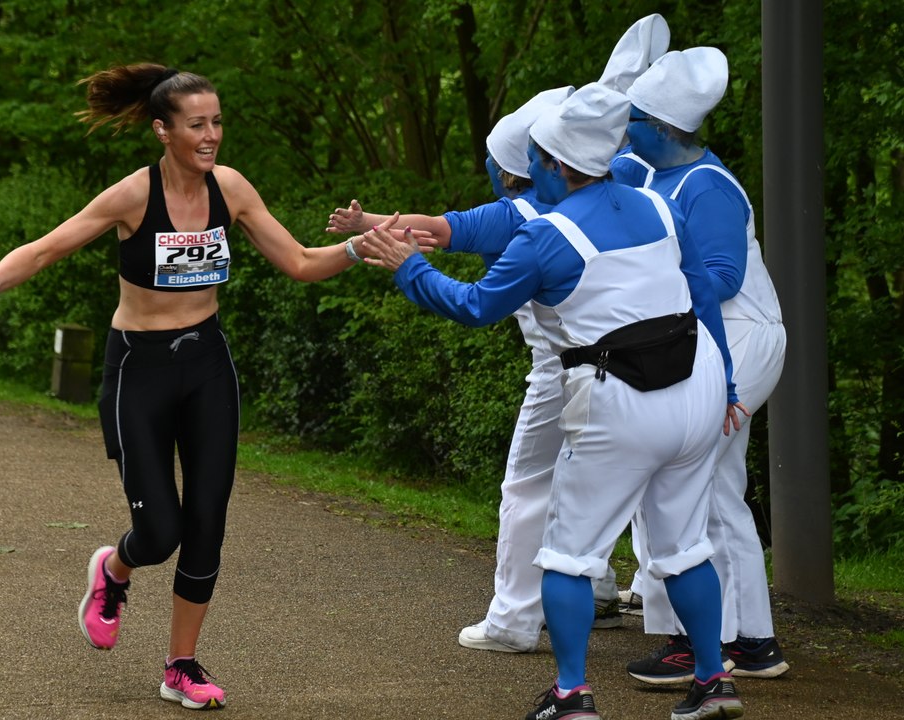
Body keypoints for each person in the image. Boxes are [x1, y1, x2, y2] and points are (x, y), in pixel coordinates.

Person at [0, 63, 371, 711]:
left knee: (207, 522)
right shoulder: (132, 196)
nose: (211, 135)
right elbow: (46, 248)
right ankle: (114, 570)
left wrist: (358, 248)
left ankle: (180, 664)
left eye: (216, 122)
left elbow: (297, 262)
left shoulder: (231, 189)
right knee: (160, 534)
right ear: (162, 130)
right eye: (196, 125)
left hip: (208, 364)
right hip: (139, 370)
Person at [357, 82, 749, 720]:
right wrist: (729, 384)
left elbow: (476, 306)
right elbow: (702, 293)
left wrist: (408, 268)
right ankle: (713, 679)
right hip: (697, 384)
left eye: (534, 158)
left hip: (621, 397)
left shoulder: (547, 238)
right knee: (684, 545)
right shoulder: (656, 202)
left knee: (570, 553)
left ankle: (571, 695)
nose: (526, 170)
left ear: (558, 165)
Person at [325, 13, 669, 655]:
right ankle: (636, 602)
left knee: (530, 485)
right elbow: (439, 223)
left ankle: (514, 619)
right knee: (642, 480)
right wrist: (372, 221)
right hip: (662, 360)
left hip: (572, 371)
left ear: (527, 165)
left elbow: (464, 283)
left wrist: (400, 259)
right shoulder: (620, 187)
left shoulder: (522, 218)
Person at [612, 47, 789, 683]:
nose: (623, 128)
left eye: (632, 119)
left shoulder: (707, 188)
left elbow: (721, 278)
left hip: (739, 333)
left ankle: (703, 638)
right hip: (705, 335)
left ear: (661, 128)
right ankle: (746, 639)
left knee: (686, 473)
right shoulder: (652, 171)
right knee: (710, 484)